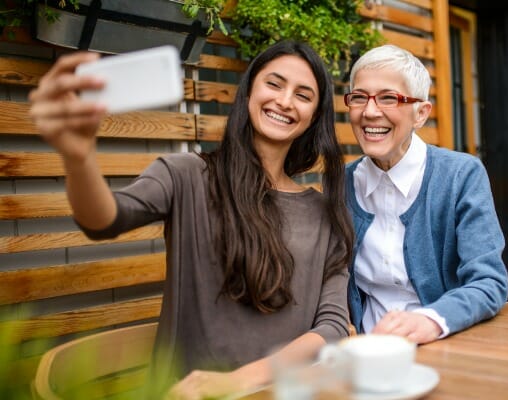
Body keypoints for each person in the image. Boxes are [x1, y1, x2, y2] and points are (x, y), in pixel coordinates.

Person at [28, 40, 353, 399]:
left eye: (303, 95)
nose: (285, 101)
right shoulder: (187, 175)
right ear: (249, 92)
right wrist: (78, 157)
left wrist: (244, 379)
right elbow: (105, 219)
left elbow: (333, 326)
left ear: (314, 116)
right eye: (274, 84)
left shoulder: (325, 213)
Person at [343, 44, 508, 344]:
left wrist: (429, 321)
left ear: (421, 113)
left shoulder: (461, 175)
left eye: (388, 98)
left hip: (445, 344)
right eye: (358, 98)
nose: (369, 112)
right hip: (368, 354)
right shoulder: (341, 183)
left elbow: (489, 282)